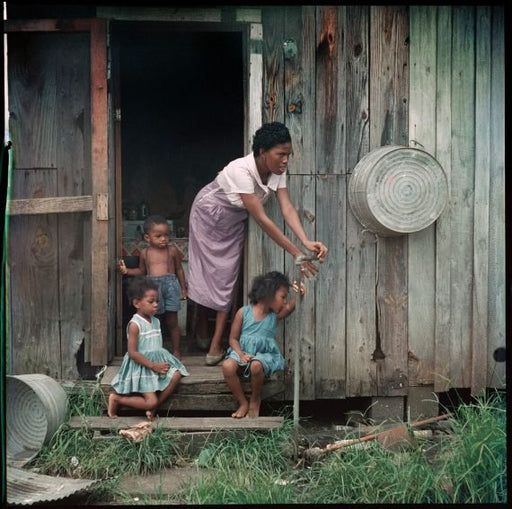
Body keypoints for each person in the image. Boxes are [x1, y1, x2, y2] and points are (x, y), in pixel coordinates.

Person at [187, 122, 328, 366]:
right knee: (212, 275)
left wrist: (305, 241)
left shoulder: (278, 171)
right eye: (280, 154)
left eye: (288, 155)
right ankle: (209, 337)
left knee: (227, 277)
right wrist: (297, 253)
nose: (285, 160)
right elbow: (262, 218)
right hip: (209, 214)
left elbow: (286, 207)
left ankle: (212, 339)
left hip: (232, 218)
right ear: (262, 152)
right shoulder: (240, 170)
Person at [222, 271, 304, 418]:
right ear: (268, 293)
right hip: (243, 352)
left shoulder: (274, 316)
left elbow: (289, 307)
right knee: (227, 366)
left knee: (256, 365)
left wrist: (301, 294)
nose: (285, 301)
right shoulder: (243, 312)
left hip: (264, 355)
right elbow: (233, 339)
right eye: (283, 297)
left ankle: (254, 400)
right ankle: (243, 402)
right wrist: (240, 354)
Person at [108, 277, 189, 420]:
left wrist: (159, 364)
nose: (156, 305)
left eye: (157, 301)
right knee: (151, 400)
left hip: (156, 364)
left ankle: (153, 408)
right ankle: (117, 399)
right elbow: (132, 353)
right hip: (143, 367)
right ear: (137, 303)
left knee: (176, 374)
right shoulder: (135, 324)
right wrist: (153, 366)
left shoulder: (156, 321)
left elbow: (156, 347)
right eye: (151, 302)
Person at [119, 214, 187, 359]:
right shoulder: (145, 253)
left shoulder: (172, 251)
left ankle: (177, 350)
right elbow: (141, 272)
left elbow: (180, 269)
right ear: (147, 238)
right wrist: (127, 271)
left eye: (166, 235)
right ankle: (156, 351)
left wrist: (183, 289)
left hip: (170, 287)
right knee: (154, 321)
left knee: (172, 321)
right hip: (153, 289)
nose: (164, 239)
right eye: (159, 236)